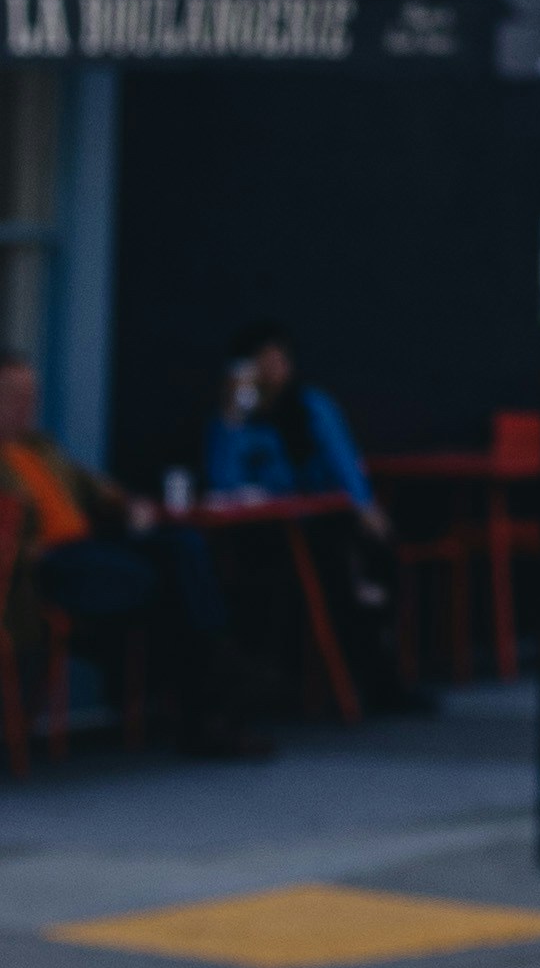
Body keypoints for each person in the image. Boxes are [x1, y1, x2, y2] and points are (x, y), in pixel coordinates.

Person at [0, 352, 274, 758]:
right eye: (13, 396)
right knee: (165, 584)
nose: (26, 407)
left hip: (88, 550)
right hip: (44, 566)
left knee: (182, 545)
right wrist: (27, 551)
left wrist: (129, 504)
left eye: (31, 396)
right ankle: (217, 686)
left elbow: (94, 486)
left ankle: (212, 681)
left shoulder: (41, 449)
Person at [206, 320, 437, 714]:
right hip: (269, 534)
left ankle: (378, 674)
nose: (274, 370)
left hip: (326, 522)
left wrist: (364, 505)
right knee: (313, 572)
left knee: (357, 555)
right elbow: (221, 483)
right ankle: (353, 677)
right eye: (264, 361)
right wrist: (229, 419)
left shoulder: (310, 407)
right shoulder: (238, 424)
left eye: (281, 360)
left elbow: (343, 460)